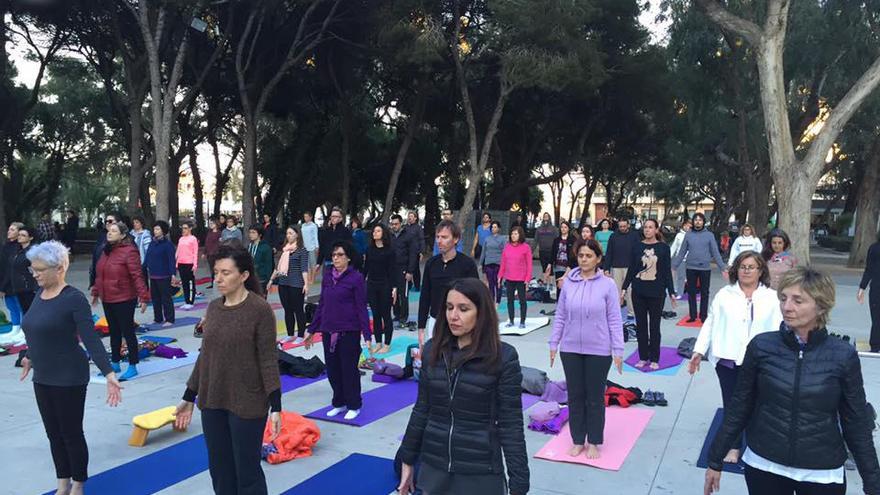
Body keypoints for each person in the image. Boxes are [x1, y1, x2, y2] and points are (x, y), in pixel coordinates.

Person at [703, 267, 880, 495]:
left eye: (798, 300)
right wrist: (715, 459)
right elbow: (739, 407)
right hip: (764, 465)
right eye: (784, 298)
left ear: (821, 305)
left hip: (821, 472)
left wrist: (873, 483)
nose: (787, 307)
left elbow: (856, 422)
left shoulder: (842, 355)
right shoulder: (761, 347)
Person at [397, 279, 529, 495]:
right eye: (449, 307)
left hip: (479, 471)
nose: (453, 316)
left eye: (463, 309)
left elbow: (511, 425)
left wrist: (519, 485)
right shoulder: (432, 351)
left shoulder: (503, 358)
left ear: (481, 313)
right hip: (435, 465)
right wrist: (407, 459)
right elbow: (422, 409)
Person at [174, 245, 281, 495]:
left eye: (226, 272)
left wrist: (275, 405)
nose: (218, 279)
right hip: (213, 401)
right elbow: (206, 356)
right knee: (220, 470)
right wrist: (189, 396)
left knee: (248, 472)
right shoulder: (213, 308)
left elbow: (268, 359)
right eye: (216, 273)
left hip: (249, 403)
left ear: (243, 275)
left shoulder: (260, 310)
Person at [19, 241, 122, 495]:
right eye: (34, 269)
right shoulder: (38, 295)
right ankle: (62, 481)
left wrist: (109, 373)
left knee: (70, 433)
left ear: (60, 267)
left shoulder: (74, 299)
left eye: (41, 269)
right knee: (53, 433)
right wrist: (30, 356)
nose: (36, 274)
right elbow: (36, 329)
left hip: (69, 376)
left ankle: (78, 483)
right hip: (43, 374)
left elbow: (90, 338)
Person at [688, 251, 782, 464]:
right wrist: (699, 350)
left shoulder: (771, 297)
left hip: (760, 361)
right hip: (728, 358)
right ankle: (733, 445)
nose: (746, 271)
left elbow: (779, 328)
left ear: (761, 271)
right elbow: (711, 322)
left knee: (760, 404)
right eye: (742, 266)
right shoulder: (724, 295)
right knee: (732, 405)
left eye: (751, 267)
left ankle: (759, 445)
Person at [549, 238, 624, 460]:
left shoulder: (608, 285)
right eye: (581, 255)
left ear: (598, 259)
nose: (584, 259)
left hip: (599, 350)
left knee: (594, 397)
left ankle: (594, 441)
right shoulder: (568, 283)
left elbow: (614, 319)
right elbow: (560, 315)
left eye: (589, 256)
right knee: (575, 396)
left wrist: (617, 350)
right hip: (570, 349)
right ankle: (578, 439)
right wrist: (554, 343)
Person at [303, 241, 371, 421]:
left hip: (349, 330)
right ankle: (338, 402)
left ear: (348, 257)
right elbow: (322, 304)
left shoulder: (355, 278)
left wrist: (367, 334)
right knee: (333, 370)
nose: (336, 258)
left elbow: (361, 307)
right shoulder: (327, 277)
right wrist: (311, 329)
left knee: (348, 369)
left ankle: (354, 404)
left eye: (340, 255)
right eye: (333, 255)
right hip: (328, 330)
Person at [91, 221, 149, 381]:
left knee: (127, 331)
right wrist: (96, 291)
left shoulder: (129, 251)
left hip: (124, 297)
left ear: (123, 235)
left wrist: (144, 296)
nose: (109, 233)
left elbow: (137, 275)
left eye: (114, 231)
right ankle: (115, 362)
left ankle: (132, 365)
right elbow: (100, 274)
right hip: (107, 297)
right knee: (114, 331)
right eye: (109, 230)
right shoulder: (106, 250)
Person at [622, 219, 677, 368]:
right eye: (645, 227)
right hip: (639, 291)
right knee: (641, 326)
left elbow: (666, 271)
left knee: (654, 326)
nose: (647, 230)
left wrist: (671, 292)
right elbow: (632, 269)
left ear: (656, 230)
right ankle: (643, 357)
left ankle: (654, 359)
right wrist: (624, 287)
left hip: (657, 292)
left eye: (650, 227)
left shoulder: (663, 248)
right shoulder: (637, 247)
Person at [417, 220, 479, 349]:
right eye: (437, 237)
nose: (439, 241)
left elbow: (476, 297)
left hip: (459, 321)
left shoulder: (467, 264)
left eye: (444, 237)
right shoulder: (431, 264)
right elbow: (425, 296)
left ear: (455, 239)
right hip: (435, 320)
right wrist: (421, 327)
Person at [672, 212, 727, 323]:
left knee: (704, 292)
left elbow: (715, 252)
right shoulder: (688, 235)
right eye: (696, 219)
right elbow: (682, 252)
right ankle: (692, 315)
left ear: (703, 222)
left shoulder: (709, 235)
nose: (698, 221)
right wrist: (674, 265)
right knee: (691, 292)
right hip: (691, 267)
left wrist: (722, 267)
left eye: (700, 220)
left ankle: (703, 315)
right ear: (693, 222)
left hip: (705, 268)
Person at [269, 226, 310, 345]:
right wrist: (271, 280)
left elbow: (304, 269)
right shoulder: (285, 250)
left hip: (296, 284)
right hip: (283, 283)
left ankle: (301, 334)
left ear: (297, 235)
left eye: (291, 233)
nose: (288, 235)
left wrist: (306, 284)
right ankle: (290, 334)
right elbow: (278, 268)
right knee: (287, 310)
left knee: (298, 310)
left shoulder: (302, 250)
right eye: (287, 233)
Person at [364, 224, 398, 354]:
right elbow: (366, 268)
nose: (375, 233)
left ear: (383, 233)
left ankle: (387, 343)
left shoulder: (390, 250)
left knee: (386, 315)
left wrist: (394, 288)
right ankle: (378, 342)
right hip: (372, 284)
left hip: (385, 285)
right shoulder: (369, 249)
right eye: (374, 231)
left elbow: (392, 270)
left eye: (378, 231)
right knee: (375, 315)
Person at [603, 218, 640, 318]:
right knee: (617, 291)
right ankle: (616, 312)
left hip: (631, 268)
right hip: (616, 267)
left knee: (630, 291)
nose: (622, 228)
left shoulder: (634, 236)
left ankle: (631, 312)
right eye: (620, 227)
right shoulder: (613, 236)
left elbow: (638, 252)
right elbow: (609, 253)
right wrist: (606, 268)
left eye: (624, 226)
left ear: (628, 225)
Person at [144, 221, 177, 327]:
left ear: (163, 231)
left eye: (158, 229)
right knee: (155, 298)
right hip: (153, 275)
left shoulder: (168, 245)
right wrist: (142, 267)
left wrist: (173, 274)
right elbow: (147, 257)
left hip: (164, 275)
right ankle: (158, 318)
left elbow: (171, 260)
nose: (155, 231)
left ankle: (170, 319)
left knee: (166, 298)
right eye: (154, 229)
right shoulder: (152, 243)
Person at [499, 225, 532, 328]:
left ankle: (522, 321)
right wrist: (500, 276)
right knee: (509, 300)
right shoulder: (507, 247)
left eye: (516, 234)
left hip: (521, 278)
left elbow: (529, 264)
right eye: (512, 233)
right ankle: (511, 320)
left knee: (522, 300)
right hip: (509, 278)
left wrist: (527, 279)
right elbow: (503, 263)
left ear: (520, 235)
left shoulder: (526, 247)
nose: (513, 235)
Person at [390, 214, 418, 328]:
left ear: (401, 224)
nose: (394, 226)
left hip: (404, 269)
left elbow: (413, 254)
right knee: (394, 293)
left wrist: (410, 271)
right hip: (392, 269)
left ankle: (403, 316)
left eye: (396, 224)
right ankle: (396, 314)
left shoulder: (408, 236)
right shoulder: (390, 236)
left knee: (403, 294)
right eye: (392, 224)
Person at [0, 222, 24, 339]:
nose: (9, 231)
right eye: (9, 229)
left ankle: (24, 329)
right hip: (6, 282)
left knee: (20, 306)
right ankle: (15, 327)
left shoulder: (18, 247)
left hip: (14, 282)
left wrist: (3, 286)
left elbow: (11, 268)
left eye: (12, 229)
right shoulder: (6, 246)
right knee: (11, 307)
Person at [857, 233, 880, 352]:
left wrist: (862, 288)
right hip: (876, 288)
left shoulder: (874, 248)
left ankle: (875, 345)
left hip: (876, 289)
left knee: (876, 318)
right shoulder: (875, 249)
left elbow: (869, 270)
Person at [316, 206, 353, 276]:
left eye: (336, 216)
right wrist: (319, 262)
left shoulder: (345, 231)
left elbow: (349, 247)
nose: (333, 218)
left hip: (340, 262)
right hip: (327, 262)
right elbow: (322, 247)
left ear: (341, 218)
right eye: (332, 216)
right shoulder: (326, 231)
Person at [10, 225, 38, 313]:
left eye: (23, 235)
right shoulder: (17, 250)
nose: (20, 237)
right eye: (19, 235)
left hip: (29, 287)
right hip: (18, 286)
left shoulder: (33, 251)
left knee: (32, 311)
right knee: (24, 311)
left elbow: (36, 268)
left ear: (31, 238)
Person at [479, 220, 506, 304]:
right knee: (490, 283)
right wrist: (480, 263)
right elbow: (483, 251)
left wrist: (505, 264)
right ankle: (491, 300)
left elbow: (505, 252)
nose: (493, 229)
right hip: (488, 263)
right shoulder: (487, 239)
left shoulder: (502, 239)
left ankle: (498, 301)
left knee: (498, 283)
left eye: (495, 227)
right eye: (492, 227)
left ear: (499, 228)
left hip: (498, 263)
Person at [546, 220, 578, 290]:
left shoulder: (573, 240)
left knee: (568, 286)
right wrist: (550, 264)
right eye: (562, 227)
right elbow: (553, 253)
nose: (563, 229)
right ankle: (558, 300)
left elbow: (574, 254)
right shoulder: (556, 240)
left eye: (565, 227)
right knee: (559, 285)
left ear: (568, 229)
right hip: (558, 266)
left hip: (569, 266)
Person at [89, 213, 117, 289]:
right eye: (106, 221)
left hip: (118, 282)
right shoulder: (102, 236)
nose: (108, 223)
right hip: (102, 280)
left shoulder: (127, 239)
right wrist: (93, 281)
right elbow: (95, 259)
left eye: (110, 221)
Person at [176, 222, 199, 310]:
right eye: (183, 228)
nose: (183, 230)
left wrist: (195, 265)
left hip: (189, 263)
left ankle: (190, 301)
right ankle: (186, 301)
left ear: (190, 229)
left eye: (185, 228)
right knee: (184, 283)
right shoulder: (181, 239)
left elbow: (195, 252)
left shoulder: (193, 239)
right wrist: (177, 262)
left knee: (190, 283)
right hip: (181, 263)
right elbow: (178, 251)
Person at [247, 225, 273, 294]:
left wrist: (269, 280)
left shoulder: (266, 247)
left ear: (260, 234)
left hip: (261, 279)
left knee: (261, 301)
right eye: (250, 232)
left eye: (253, 232)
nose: (251, 235)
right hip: (250, 278)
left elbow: (269, 264)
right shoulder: (249, 246)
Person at [670, 219, 692, 300]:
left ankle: (685, 290)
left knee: (688, 277)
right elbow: (674, 247)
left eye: (690, 226)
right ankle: (679, 292)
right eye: (686, 225)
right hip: (680, 258)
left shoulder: (692, 235)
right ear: (684, 226)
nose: (688, 227)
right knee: (680, 276)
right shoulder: (679, 235)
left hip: (690, 259)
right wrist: (669, 256)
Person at [406, 211, 425, 291]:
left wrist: (421, 252)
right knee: (407, 269)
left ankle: (417, 286)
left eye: (411, 216)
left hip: (415, 252)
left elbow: (421, 239)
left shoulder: (418, 228)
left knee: (416, 269)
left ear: (415, 218)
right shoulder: (405, 227)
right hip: (406, 252)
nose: (409, 218)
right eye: (408, 216)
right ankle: (408, 285)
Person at [131, 215, 152, 288]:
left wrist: (146, 263)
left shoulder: (145, 234)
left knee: (143, 282)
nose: (135, 224)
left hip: (141, 262)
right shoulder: (131, 234)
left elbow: (148, 250)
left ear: (141, 224)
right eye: (134, 222)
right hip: (132, 261)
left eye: (137, 222)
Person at [535, 213, 559, 277]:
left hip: (551, 251)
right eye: (544, 216)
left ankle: (550, 285)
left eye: (547, 216)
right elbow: (535, 240)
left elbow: (557, 240)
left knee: (550, 269)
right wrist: (531, 250)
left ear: (549, 217)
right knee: (544, 268)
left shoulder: (554, 229)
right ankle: (545, 284)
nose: (545, 217)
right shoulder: (539, 229)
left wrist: (557, 251)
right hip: (542, 251)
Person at [203, 217, 222, 289]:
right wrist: (204, 252)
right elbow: (207, 243)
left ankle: (216, 282)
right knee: (211, 269)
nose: (210, 225)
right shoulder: (209, 233)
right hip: (209, 254)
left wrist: (214, 251)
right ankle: (213, 283)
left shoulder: (219, 233)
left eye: (212, 223)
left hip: (215, 254)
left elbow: (219, 244)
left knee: (216, 269)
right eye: (210, 223)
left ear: (216, 224)